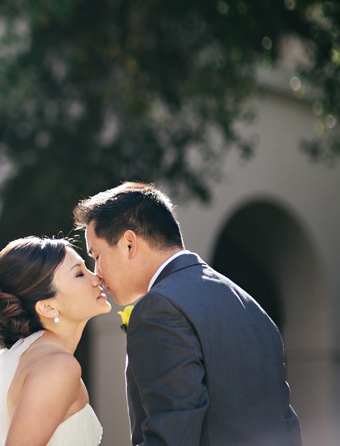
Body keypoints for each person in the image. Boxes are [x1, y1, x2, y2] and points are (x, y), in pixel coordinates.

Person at [75, 182, 302, 446]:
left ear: (128, 243)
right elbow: (286, 424)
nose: (97, 273)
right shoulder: (252, 308)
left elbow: (173, 435)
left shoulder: (158, 308)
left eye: (97, 256)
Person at [0, 236, 110, 446]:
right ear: (48, 307)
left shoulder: (35, 356)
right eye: (79, 274)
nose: (96, 278)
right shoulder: (57, 366)